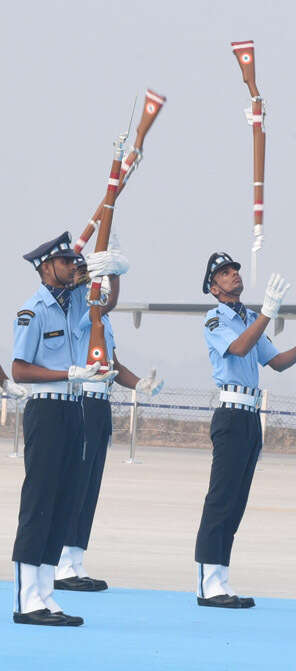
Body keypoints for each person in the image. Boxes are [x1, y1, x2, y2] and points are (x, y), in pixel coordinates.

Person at [195, 252, 296, 608]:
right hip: (231, 412)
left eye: (234, 269)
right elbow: (238, 348)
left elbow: (275, 362)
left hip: (250, 414)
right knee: (221, 499)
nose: (233, 274)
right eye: (224, 272)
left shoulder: (249, 318)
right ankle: (208, 582)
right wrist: (268, 312)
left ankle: (220, 578)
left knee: (236, 501)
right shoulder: (215, 319)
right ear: (213, 288)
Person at [10, 232, 120, 626]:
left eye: (76, 261)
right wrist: (68, 372)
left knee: (63, 502)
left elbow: (103, 305)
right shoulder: (33, 311)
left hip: (74, 410)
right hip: (47, 410)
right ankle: (27, 599)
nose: (74, 265)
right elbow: (20, 368)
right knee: (39, 503)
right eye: (66, 262)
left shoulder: (74, 305)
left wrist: (111, 272)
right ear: (45, 268)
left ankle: (46, 595)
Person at [54, 252, 164, 593]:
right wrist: (106, 275)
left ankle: (75, 560)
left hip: (100, 404)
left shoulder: (102, 321)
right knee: (74, 484)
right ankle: (60, 564)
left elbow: (112, 364)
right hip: (82, 401)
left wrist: (139, 385)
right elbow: (107, 298)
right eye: (94, 278)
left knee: (89, 486)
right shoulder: (76, 310)